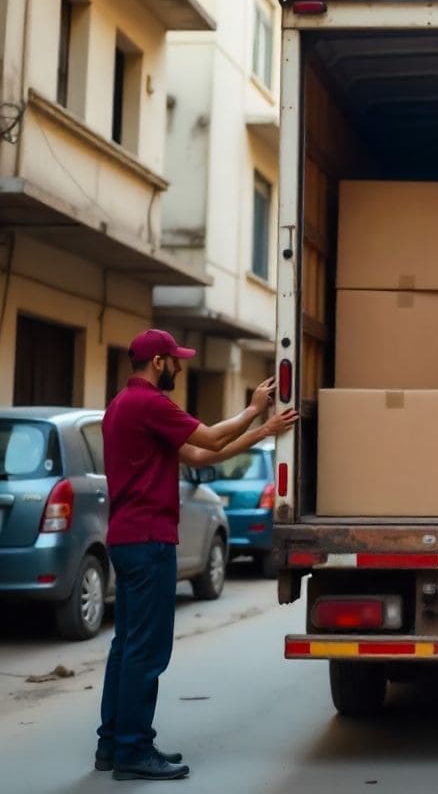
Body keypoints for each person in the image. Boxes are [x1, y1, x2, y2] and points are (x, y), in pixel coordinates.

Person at [96, 329, 298, 781]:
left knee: (126, 647)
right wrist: (252, 407)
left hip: (127, 539)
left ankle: (112, 744)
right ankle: (133, 750)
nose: (180, 367)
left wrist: (263, 430)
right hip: (149, 542)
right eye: (175, 360)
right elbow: (208, 437)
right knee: (147, 652)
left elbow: (197, 453)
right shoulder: (150, 403)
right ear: (160, 363)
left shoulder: (120, 406)